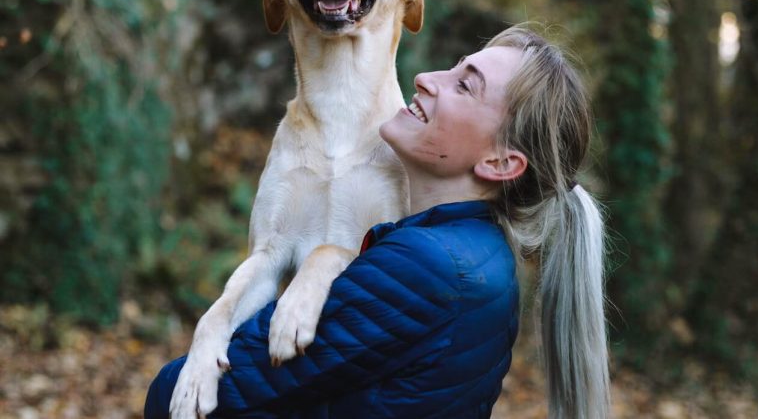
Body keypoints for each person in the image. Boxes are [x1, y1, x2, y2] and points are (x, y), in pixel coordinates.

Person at [145, 26, 610, 419]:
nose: (427, 78)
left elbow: (180, 397)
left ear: (501, 163)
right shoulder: (477, 252)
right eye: (453, 67)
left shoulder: (425, 266)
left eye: (464, 86)